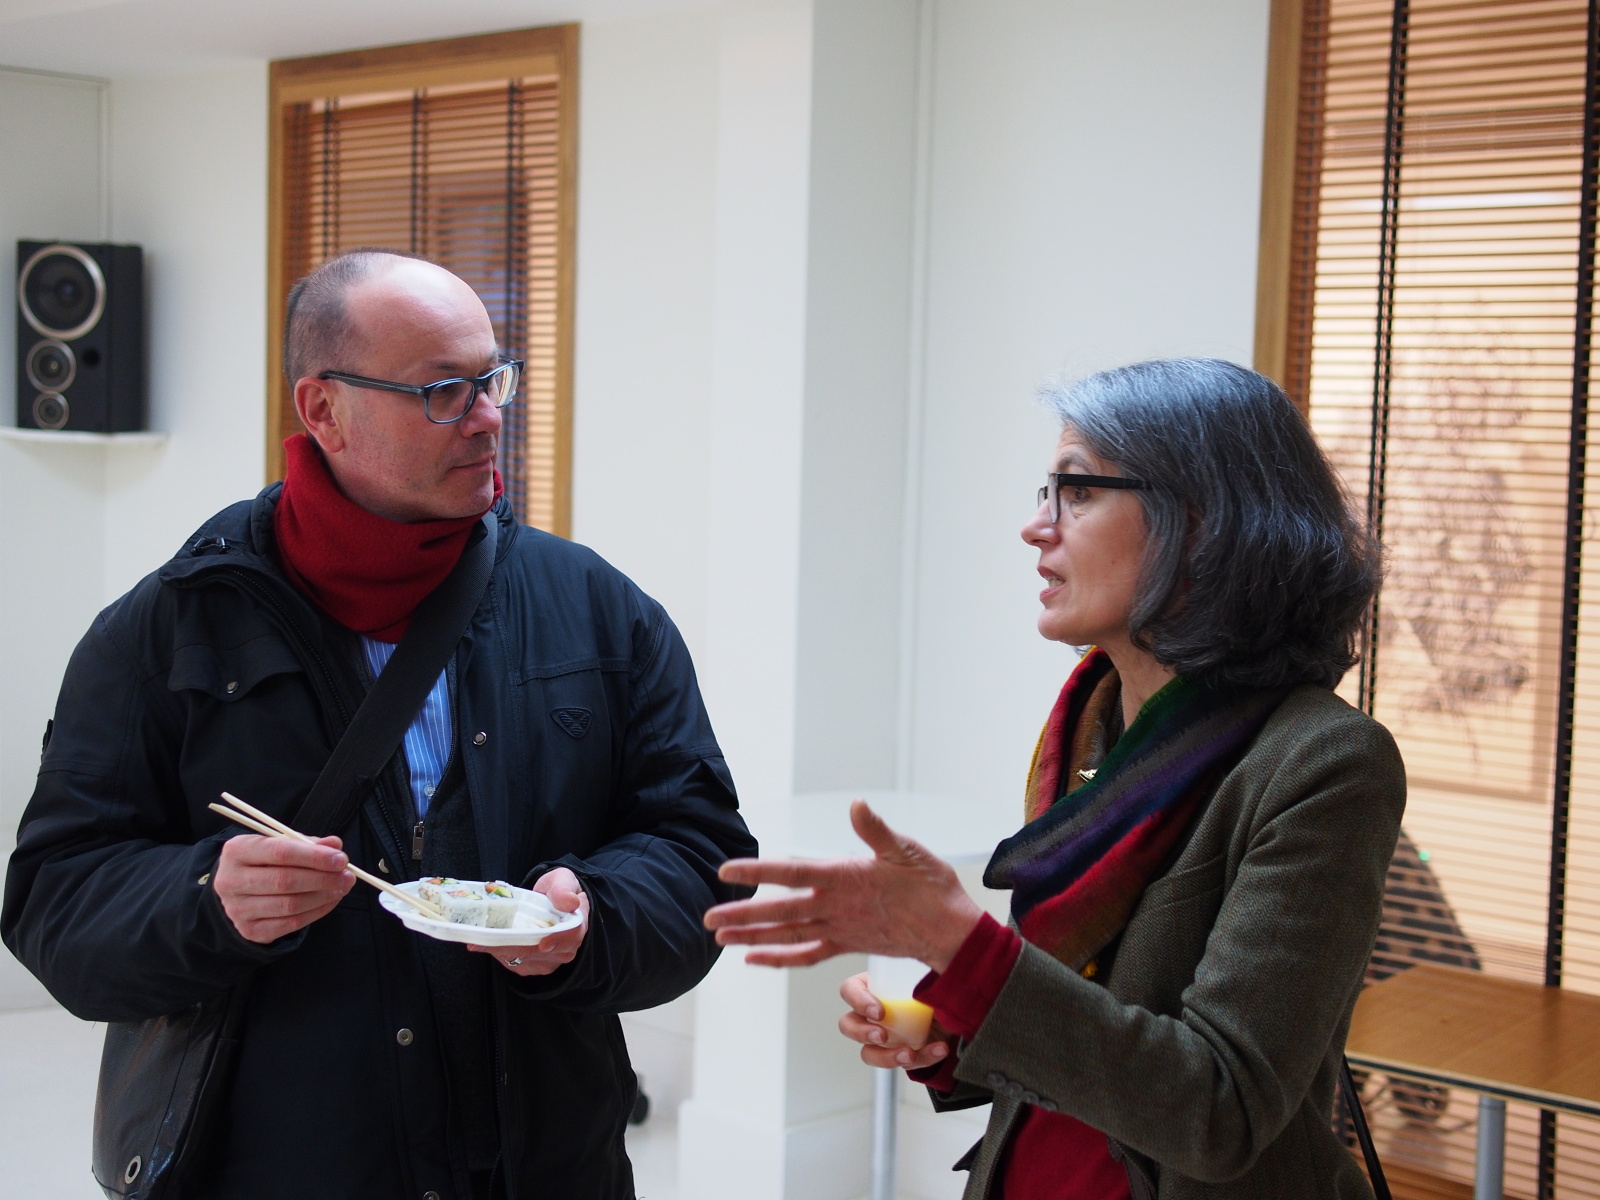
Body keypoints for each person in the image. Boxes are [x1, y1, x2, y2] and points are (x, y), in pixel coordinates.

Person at [2, 250, 756, 1200]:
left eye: (492, 379)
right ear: (324, 410)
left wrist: (592, 915)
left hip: (546, 1164)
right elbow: (55, 902)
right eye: (443, 392)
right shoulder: (168, 629)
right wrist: (207, 899)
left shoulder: (598, 612)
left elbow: (700, 852)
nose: (487, 417)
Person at [704, 359, 1404, 1198]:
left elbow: (1221, 1110)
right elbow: (1087, 1014)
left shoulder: (1325, 763)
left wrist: (964, 951)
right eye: (1048, 492)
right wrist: (950, 1032)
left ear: (1202, 523)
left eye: (1077, 491)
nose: (1035, 527)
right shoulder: (1087, 727)